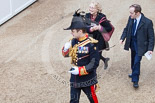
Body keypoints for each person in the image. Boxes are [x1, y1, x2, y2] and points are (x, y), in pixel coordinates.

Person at [62, 15, 100, 103]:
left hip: (87, 79)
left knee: (92, 100)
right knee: (73, 100)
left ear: (80, 31)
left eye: (73, 31)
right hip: (75, 78)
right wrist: (65, 49)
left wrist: (80, 70)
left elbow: (94, 63)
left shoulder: (91, 44)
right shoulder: (73, 41)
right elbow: (67, 54)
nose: (71, 33)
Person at [120, 4, 154, 88]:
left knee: (137, 61)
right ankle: (134, 72)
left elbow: (151, 37)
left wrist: (150, 49)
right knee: (133, 59)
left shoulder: (148, 22)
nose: (130, 14)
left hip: (141, 45)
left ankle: (135, 79)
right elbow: (126, 28)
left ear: (137, 13)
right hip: (132, 43)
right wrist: (122, 38)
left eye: (131, 13)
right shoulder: (131, 18)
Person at [85, 1, 112, 69]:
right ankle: (105, 60)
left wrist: (100, 28)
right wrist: (91, 29)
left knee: (96, 55)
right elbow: (84, 27)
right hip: (89, 38)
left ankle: (93, 72)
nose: (90, 9)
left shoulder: (102, 17)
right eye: (90, 7)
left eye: (93, 8)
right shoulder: (87, 16)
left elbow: (109, 28)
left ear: (97, 9)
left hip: (99, 39)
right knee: (89, 53)